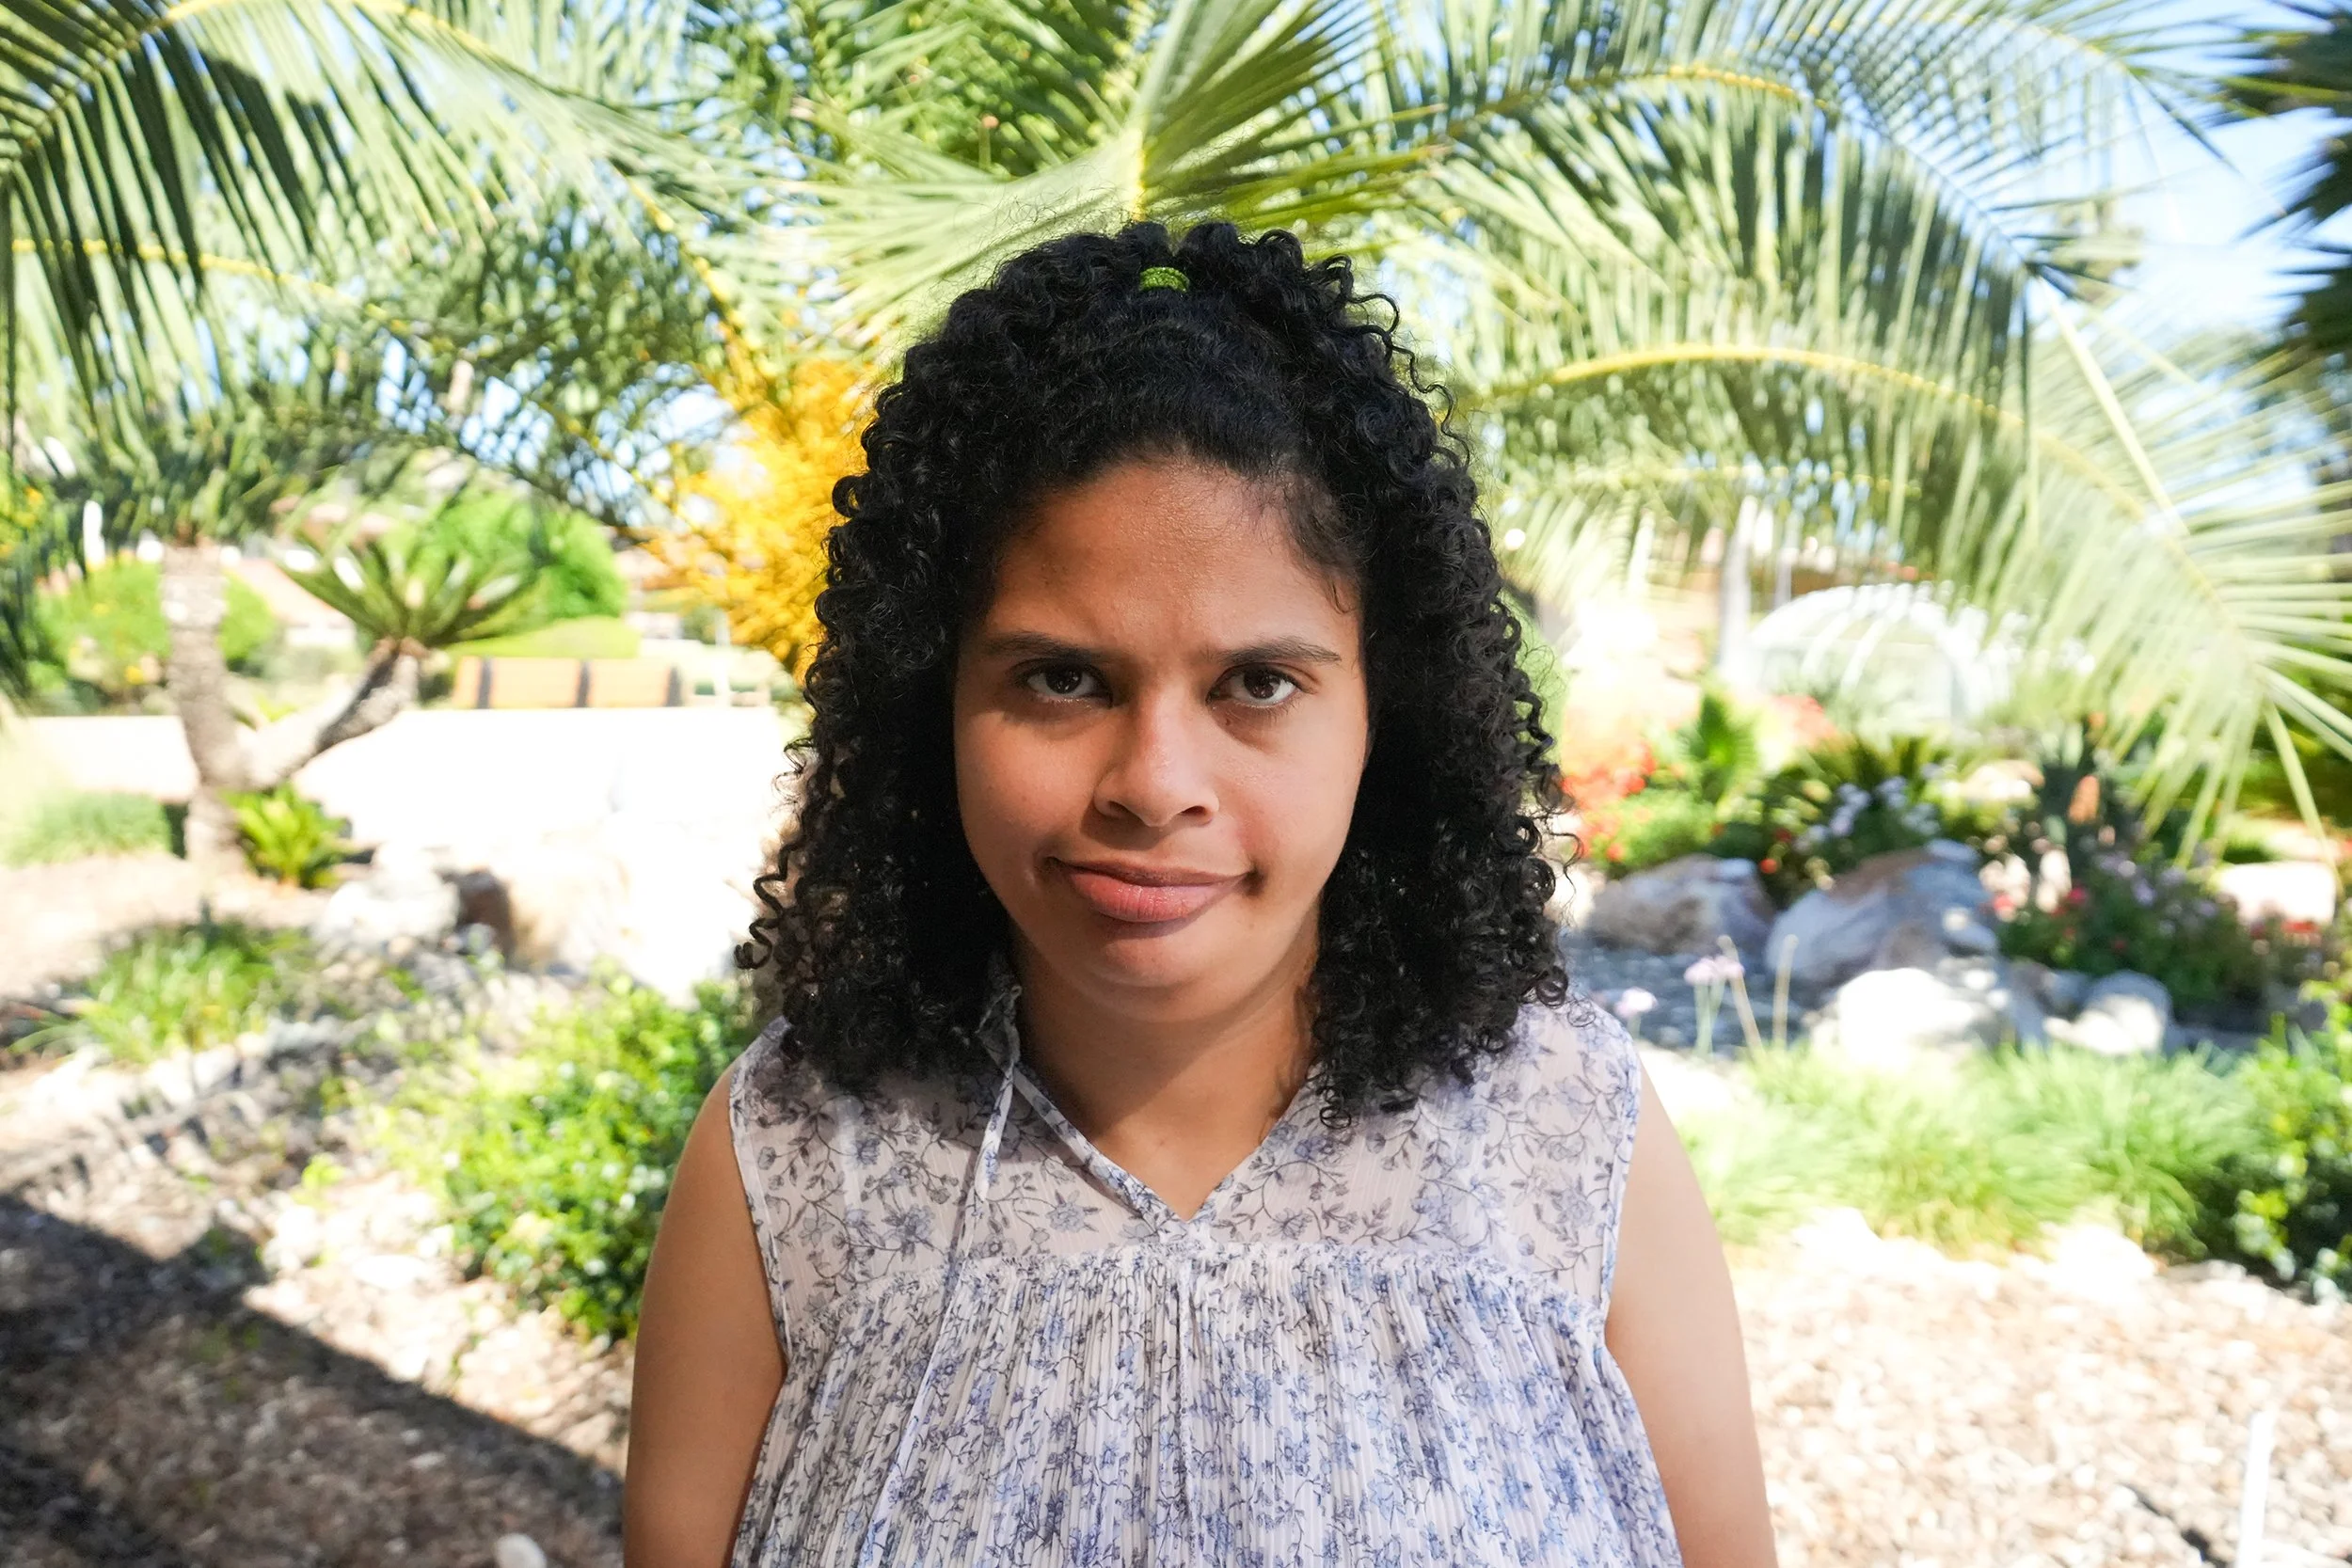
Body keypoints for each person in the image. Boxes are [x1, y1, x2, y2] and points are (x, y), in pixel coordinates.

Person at [624, 221, 1775, 1568]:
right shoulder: (790, 1157)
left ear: (1378, 712)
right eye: (1062, 677)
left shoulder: (1568, 1133)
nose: (1155, 783)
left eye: (1257, 683)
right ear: (931, 701)